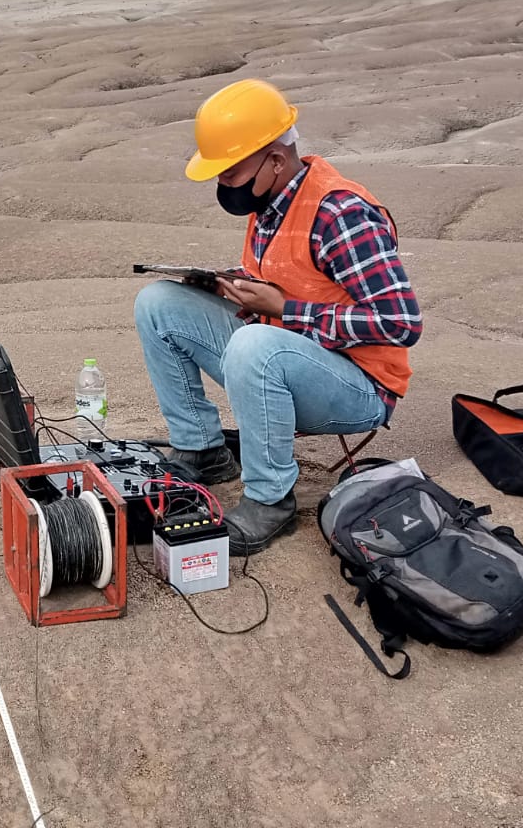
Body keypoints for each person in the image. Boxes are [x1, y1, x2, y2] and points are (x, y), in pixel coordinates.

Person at [134, 78, 422, 554]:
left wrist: (285, 309)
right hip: (289, 354)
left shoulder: (340, 214)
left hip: (360, 388)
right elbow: (295, 279)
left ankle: (270, 500)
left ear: (275, 159)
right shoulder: (270, 201)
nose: (223, 184)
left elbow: (401, 323)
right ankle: (202, 451)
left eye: (230, 172)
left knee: (253, 345)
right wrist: (239, 287)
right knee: (159, 304)